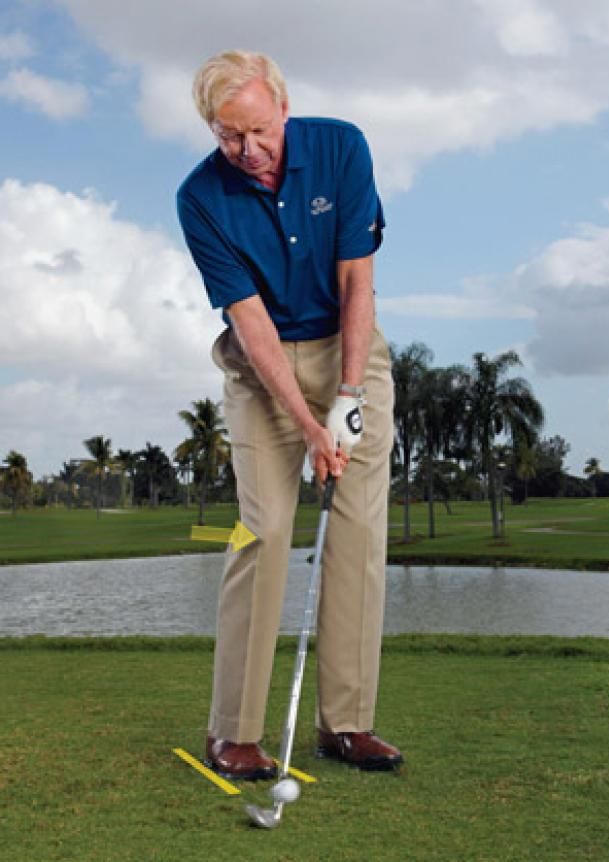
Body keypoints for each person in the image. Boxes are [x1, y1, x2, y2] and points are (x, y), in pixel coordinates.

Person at [177, 50, 402, 779]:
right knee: (263, 530)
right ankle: (233, 732)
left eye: (258, 131)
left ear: (282, 104)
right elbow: (250, 322)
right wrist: (310, 430)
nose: (248, 151)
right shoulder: (200, 197)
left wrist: (347, 398)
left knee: (358, 534)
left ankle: (347, 724)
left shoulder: (341, 147)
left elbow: (357, 285)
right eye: (227, 136)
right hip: (262, 366)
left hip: (349, 351)